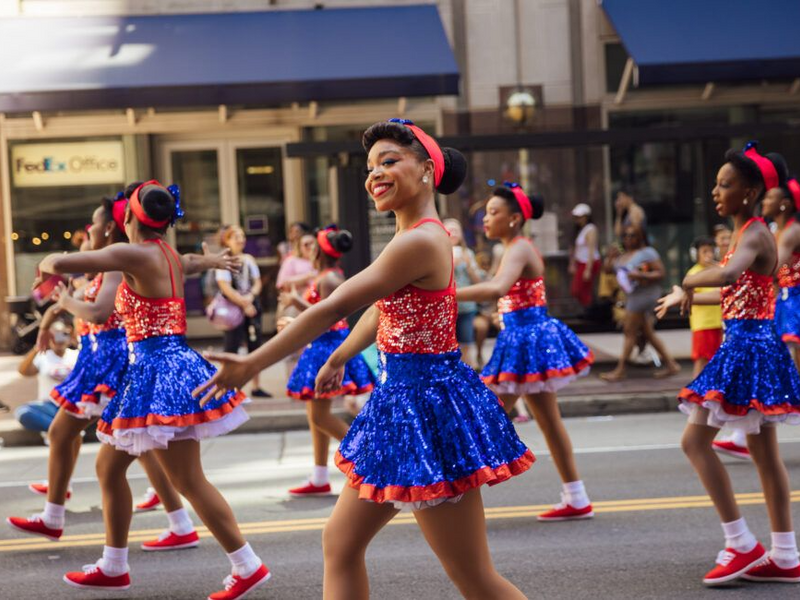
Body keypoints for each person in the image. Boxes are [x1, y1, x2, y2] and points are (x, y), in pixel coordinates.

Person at [195, 119, 533, 599]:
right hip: (400, 402)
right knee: (340, 542)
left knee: (473, 575)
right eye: (371, 165)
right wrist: (339, 355)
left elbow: (335, 305)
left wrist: (252, 365)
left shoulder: (419, 239)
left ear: (427, 172)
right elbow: (382, 308)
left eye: (390, 161)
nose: (374, 173)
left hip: (428, 411)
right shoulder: (411, 237)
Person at [35, 181, 269, 599]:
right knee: (110, 468)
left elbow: (65, 262)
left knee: (190, 480)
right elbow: (192, 261)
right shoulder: (166, 254)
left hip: (158, 372)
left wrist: (51, 261)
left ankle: (246, 563)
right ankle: (114, 564)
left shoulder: (133, 253)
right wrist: (213, 258)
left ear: (128, 219)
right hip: (167, 367)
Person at [7, 194, 197, 553]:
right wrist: (50, 316)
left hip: (111, 363)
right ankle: (179, 525)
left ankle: (58, 518)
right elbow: (71, 296)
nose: (88, 230)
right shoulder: (111, 264)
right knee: (142, 450)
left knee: (70, 434)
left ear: (112, 225)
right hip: (102, 359)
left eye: (92, 225)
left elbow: (95, 311)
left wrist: (58, 286)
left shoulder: (118, 262)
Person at [656, 142, 800, 585]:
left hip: (747, 349)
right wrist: (689, 294)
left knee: (695, 443)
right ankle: (786, 555)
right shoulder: (747, 232)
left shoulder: (755, 232)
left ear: (751, 191)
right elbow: (735, 291)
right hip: (750, 345)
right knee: (763, 455)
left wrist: (686, 277)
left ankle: (740, 544)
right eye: (716, 184)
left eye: (725, 184)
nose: (716, 191)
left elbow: (730, 274)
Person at [456, 182, 594, 521]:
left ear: (515, 218)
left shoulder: (517, 247)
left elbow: (497, 287)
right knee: (540, 421)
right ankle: (576, 496)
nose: (485, 220)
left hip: (527, 342)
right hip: (522, 341)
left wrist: (444, 293)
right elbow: (505, 294)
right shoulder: (513, 247)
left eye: (493, 213)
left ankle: (456, 495)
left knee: (483, 416)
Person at [282, 225, 375, 497]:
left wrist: (297, 305)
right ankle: (320, 475)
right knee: (315, 415)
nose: (309, 250)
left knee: (320, 415)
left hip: (328, 348)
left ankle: (364, 461)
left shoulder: (330, 279)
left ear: (321, 251)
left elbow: (330, 316)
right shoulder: (326, 275)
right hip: (321, 345)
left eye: (313, 246)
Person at [600, 225, 680, 381]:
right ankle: (671, 364)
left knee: (629, 331)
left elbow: (661, 272)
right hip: (632, 295)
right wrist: (610, 257)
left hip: (644, 295)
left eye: (633, 235)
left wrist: (640, 275)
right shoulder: (622, 255)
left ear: (640, 237)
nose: (629, 239)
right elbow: (608, 270)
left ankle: (621, 368)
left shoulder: (647, 253)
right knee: (648, 333)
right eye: (626, 236)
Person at [216, 225, 270, 398]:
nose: (241, 240)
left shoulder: (248, 259)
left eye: (242, 236)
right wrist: (244, 304)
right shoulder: (223, 261)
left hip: (251, 307)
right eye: (236, 237)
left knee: (255, 347)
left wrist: (250, 297)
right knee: (231, 348)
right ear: (227, 240)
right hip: (234, 310)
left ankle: (256, 386)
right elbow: (225, 287)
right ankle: (228, 386)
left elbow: (257, 283)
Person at [14, 321, 78, 435]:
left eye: (62, 334)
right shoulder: (43, 356)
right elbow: (23, 371)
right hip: (49, 406)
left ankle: (60, 431)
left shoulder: (77, 355)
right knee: (22, 412)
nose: (58, 339)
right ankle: (65, 431)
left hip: (73, 405)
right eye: (53, 335)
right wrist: (38, 346)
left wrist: (76, 339)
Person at [443, 218, 484, 367]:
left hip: (467, 308)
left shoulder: (468, 253)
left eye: (456, 230)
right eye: (449, 229)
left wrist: (468, 265)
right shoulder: (438, 253)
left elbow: (478, 282)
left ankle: (467, 375)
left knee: (466, 343)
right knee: (447, 346)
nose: (453, 233)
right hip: (446, 308)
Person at [684, 237, 723, 378]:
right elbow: (689, 299)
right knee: (701, 360)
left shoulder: (717, 270)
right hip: (702, 325)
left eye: (711, 251)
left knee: (716, 360)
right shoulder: (694, 273)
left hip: (717, 323)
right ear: (696, 254)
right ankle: (694, 394)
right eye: (704, 251)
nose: (708, 255)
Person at [569, 203, 600, 308]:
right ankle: (586, 309)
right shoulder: (579, 230)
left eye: (580, 217)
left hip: (588, 263)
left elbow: (591, 250)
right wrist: (573, 263)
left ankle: (589, 309)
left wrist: (588, 269)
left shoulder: (590, 229)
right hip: (580, 262)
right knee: (577, 290)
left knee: (582, 289)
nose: (578, 220)